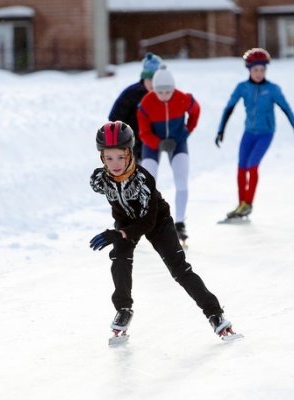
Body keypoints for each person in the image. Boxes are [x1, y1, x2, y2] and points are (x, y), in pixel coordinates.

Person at [89, 121, 235, 339]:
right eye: (109, 158)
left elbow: (147, 221)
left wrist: (120, 233)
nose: (115, 164)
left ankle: (215, 314)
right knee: (119, 257)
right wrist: (121, 232)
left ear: (129, 154)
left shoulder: (143, 179)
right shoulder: (100, 180)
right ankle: (123, 310)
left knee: (179, 269)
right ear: (102, 158)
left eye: (120, 157)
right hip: (126, 223)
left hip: (156, 221)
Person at [215, 48, 294, 219]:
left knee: (252, 165)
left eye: (263, 70)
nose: (259, 73)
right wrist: (221, 130)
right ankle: (241, 204)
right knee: (241, 167)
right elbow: (229, 108)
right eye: (256, 70)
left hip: (265, 133)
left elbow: (287, 110)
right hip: (248, 133)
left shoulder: (273, 89)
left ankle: (248, 204)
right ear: (249, 69)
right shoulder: (242, 88)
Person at [137, 65, 200, 242]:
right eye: (160, 92)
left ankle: (179, 224)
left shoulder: (183, 98)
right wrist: (159, 143)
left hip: (177, 142)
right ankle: (144, 221)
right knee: (147, 183)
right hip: (152, 143)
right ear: (154, 90)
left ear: (173, 89)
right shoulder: (146, 104)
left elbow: (195, 111)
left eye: (168, 91)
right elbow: (143, 132)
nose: (164, 95)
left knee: (181, 182)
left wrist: (187, 131)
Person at [107, 52, 163, 160]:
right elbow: (115, 117)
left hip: (150, 144)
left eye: (156, 80)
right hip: (130, 145)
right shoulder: (131, 93)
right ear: (144, 78)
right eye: (150, 79)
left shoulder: (162, 95)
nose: (153, 84)